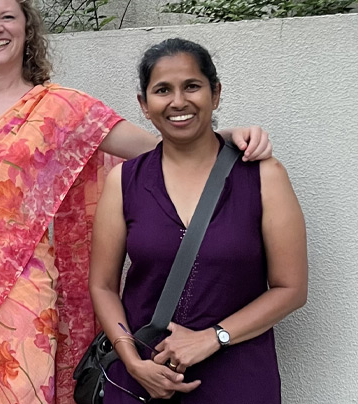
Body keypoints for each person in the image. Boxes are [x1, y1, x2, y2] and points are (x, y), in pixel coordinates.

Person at [0, 0, 274, 404]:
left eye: (7, 16)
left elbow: (158, 147)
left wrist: (224, 138)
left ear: (27, 26)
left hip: (27, 291)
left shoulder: (62, 107)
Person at [88, 38, 307, 403]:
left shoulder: (263, 177)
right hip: (142, 378)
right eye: (162, 90)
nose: (178, 101)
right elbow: (103, 286)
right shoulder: (124, 182)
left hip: (238, 376)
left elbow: (291, 289)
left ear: (215, 93)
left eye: (192, 86)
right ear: (144, 105)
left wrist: (212, 337)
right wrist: (129, 358)